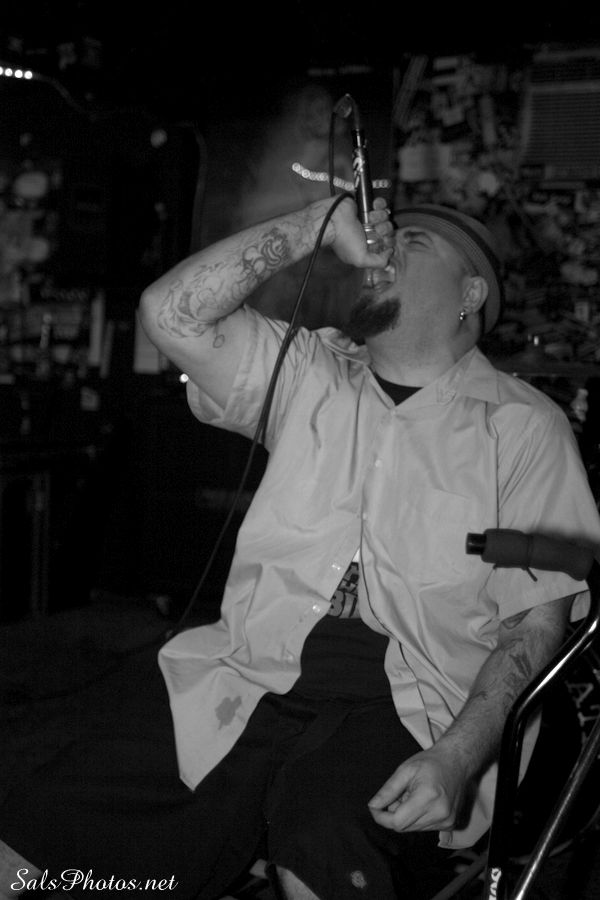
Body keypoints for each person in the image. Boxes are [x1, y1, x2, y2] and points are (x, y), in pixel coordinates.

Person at [1, 193, 599, 900]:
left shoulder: (525, 428)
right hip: (247, 677)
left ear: (471, 294)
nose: (384, 249)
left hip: (412, 709)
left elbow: (534, 624)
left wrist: (460, 756)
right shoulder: (310, 370)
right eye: (386, 238)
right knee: (32, 824)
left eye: (413, 244)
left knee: (320, 850)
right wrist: (313, 226)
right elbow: (171, 313)